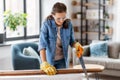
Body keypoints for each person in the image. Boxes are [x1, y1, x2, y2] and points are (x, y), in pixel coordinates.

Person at [38, 2, 84, 75]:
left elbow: (72, 41)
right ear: (53, 15)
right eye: (58, 18)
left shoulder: (69, 24)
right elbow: (42, 45)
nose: (62, 20)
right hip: (49, 60)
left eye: (63, 17)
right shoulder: (46, 24)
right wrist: (44, 63)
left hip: (63, 60)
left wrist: (76, 45)